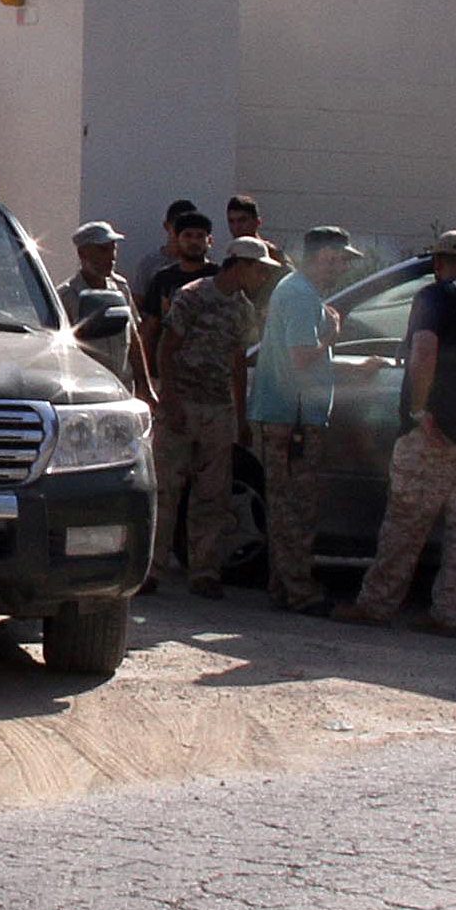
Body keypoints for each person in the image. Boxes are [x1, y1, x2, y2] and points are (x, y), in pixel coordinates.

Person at [335, 229, 456, 635]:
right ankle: (450, 614)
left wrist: (421, 409)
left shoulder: (434, 296)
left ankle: (377, 605)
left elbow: (423, 352)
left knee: (404, 526)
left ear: (436, 265)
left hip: (433, 435)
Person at [247, 225, 373, 615]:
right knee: (294, 508)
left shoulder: (299, 292)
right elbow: (302, 357)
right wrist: (331, 336)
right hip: (293, 418)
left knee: (287, 504)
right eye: (332, 259)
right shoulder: (301, 295)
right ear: (315, 258)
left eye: (342, 261)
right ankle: (300, 591)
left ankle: (283, 587)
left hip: (291, 414)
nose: (338, 268)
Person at [149, 236, 273, 598]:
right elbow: (166, 348)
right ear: (240, 265)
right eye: (259, 269)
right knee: (165, 489)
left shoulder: (243, 309)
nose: (262, 277)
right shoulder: (193, 296)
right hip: (183, 402)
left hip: (217, 408)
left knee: (212, 494)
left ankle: (204, 570)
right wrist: (169, 402)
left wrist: (240, 416)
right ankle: (151, 568)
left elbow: (237, 362)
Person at [58, 220, 155, 399]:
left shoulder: (120, 288)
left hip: (123, 387)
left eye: (113, 249)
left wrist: (145, 385)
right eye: (103, 250)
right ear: (82, 253)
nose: (112, 257)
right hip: (88, 390)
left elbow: (133, 338)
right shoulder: (66, 296)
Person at [137, 209, 215, 367]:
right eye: (188, 235)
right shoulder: (163, 279)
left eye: (200, 236)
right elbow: (150, 329)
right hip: (170, 372)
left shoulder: (218, 278)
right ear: (177, 239)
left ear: (209, 240)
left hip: (210, 373)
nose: (194, 242)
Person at [225, 194, 290, 315]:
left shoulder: (273, 256)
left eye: (242, 220)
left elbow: (290, 286)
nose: (237, 227)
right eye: (231, 221)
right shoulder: (233, 254)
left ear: (257, 222)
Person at [130, 198, 199, 294]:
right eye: (178, 227)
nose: (182, 234)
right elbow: (137, 303)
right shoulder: (150, 264)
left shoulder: (201, 265)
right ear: (166, 226)